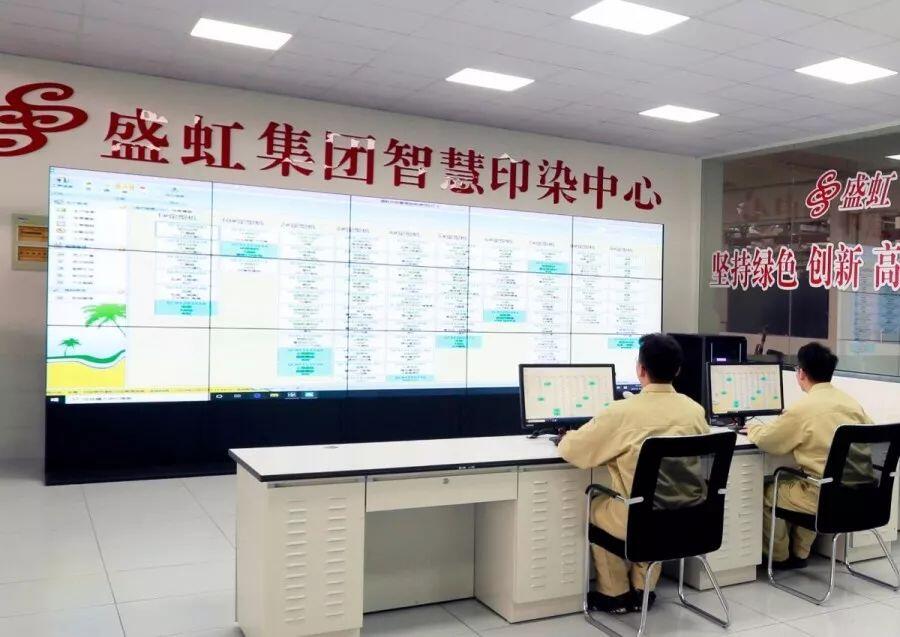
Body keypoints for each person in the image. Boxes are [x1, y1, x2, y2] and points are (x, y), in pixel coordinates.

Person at [558, 333, 708, 615]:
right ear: (677, 370)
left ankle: (614, 593)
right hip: (690, 518)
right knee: (656, 500)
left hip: (642, 521)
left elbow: (573, 451)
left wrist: (566, 437)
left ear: (640, 369)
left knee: (597, 506)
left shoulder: (621, 413)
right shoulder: (695, 411)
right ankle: (643, 588)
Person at [744, 342, 873, 570]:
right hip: (860, 496)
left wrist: (753, 428)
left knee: (769, 493)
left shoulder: (803, 409)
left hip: (823, 498)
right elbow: (872, 432)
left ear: (801, 373)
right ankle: (801, 552)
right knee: (813, 479)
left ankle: (779, 557)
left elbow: (769, 441)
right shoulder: (852, 404)